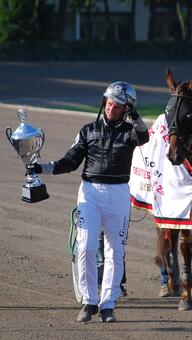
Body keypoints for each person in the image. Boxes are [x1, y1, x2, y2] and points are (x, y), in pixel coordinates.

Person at [27, 82, 149, 322]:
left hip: (119, 194)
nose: (111, 108)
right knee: (86, 246)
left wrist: (135, 114)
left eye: (118, 106)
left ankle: (108, 304)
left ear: (127, 109)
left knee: (115, 252)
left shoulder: (130, 132)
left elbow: (144, 136)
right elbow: (70, 161)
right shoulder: (87, 130)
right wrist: (42, 168)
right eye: (109, 103)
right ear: (104, 103)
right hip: (90, 193)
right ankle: (89, 301)